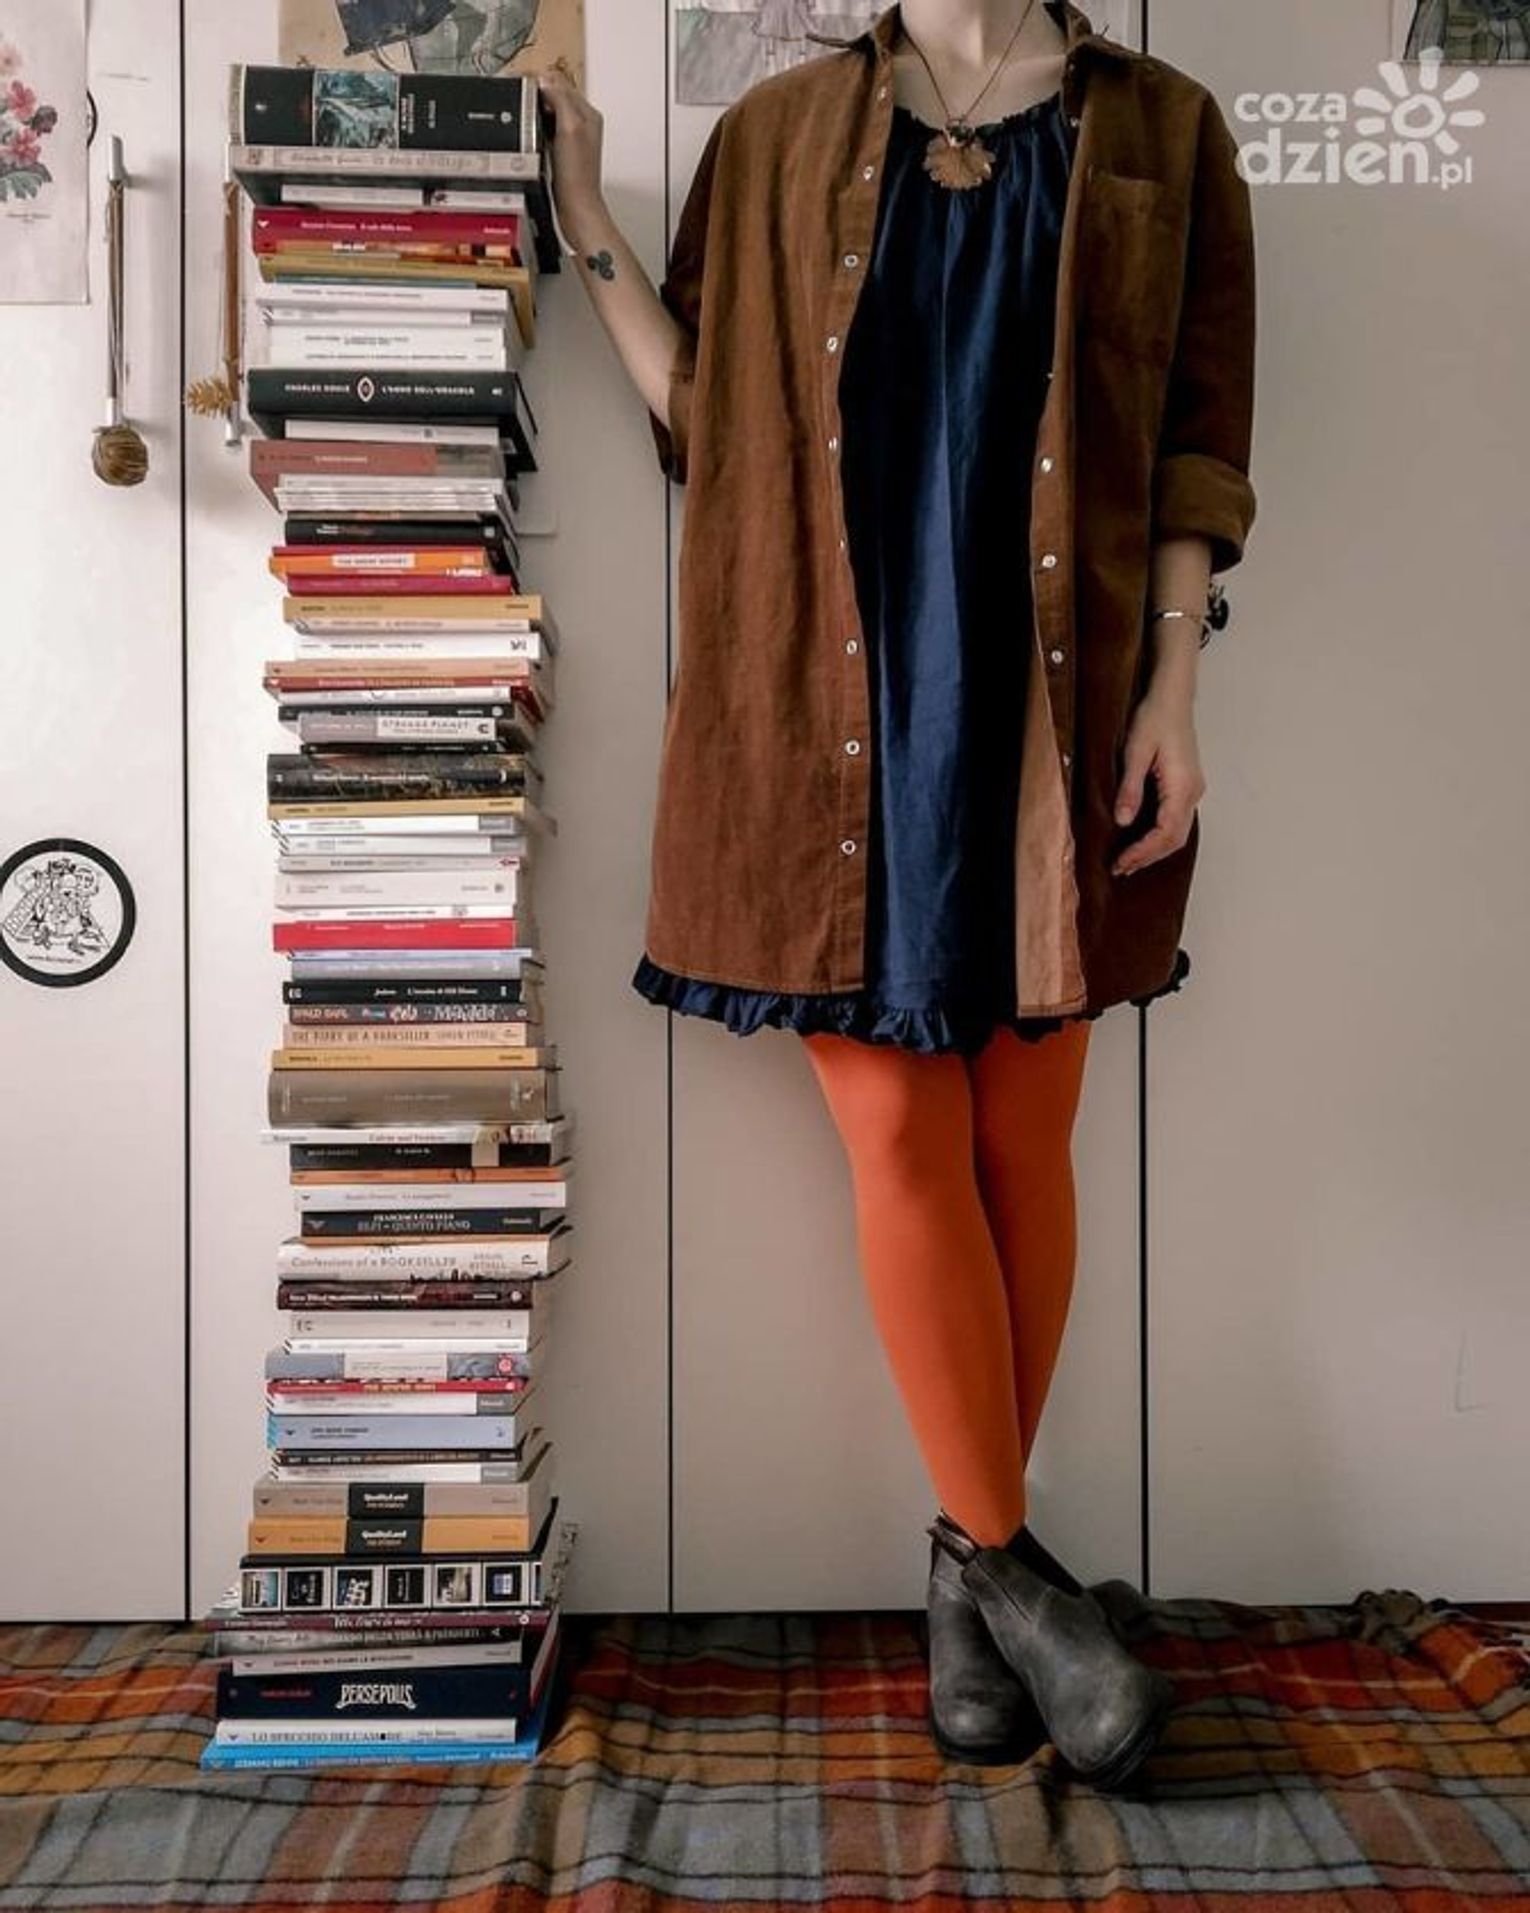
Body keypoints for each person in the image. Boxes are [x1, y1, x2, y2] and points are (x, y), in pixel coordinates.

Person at [538, 0, 1257, 1787]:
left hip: (1056, 706)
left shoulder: (1167, 128)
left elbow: (1196, 443)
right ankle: (1019, 1578)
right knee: (901, 1136)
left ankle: (969, 1577)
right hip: (820, 707)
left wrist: (1174, 689)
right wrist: (590, 223)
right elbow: (702, 414)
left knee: (1024, 1141)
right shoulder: (774, 135)